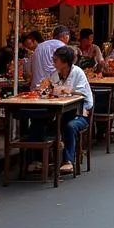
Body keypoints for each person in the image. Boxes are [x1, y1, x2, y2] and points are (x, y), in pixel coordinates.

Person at [49, 45, 93, 174]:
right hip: (62, 112)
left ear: (64, 62)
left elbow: (83, 94)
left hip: (81, 113)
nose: (54, 62)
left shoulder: (77, 72)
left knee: (70, 126)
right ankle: (39, 160)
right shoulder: (55, 74)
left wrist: (69, 90)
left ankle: (68, 161)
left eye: (56, 60)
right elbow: (51, 89)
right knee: (42, 124)